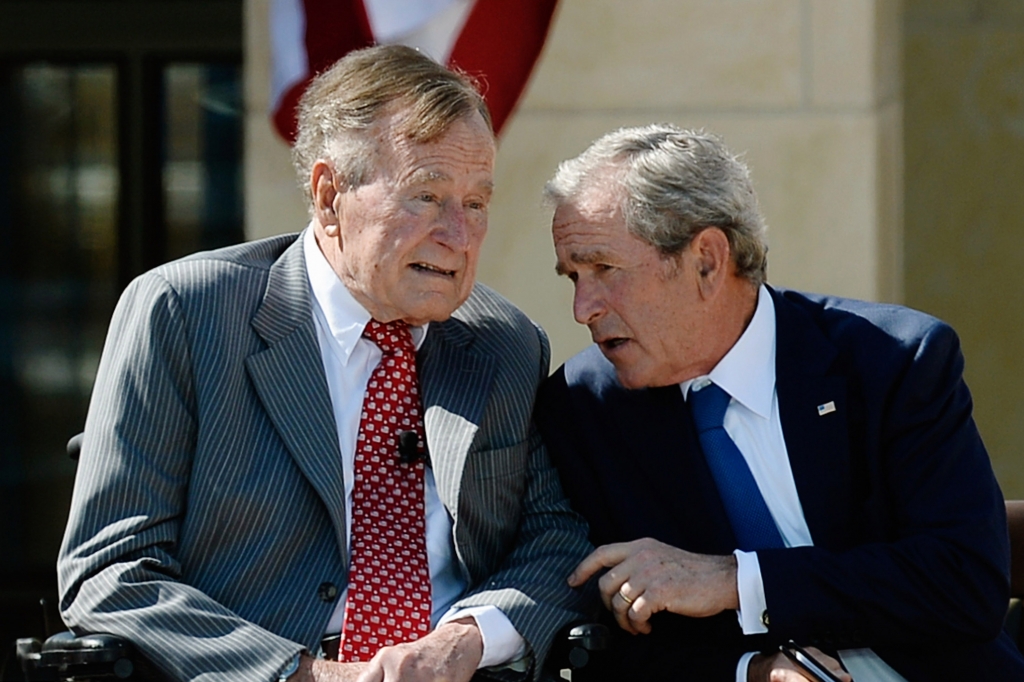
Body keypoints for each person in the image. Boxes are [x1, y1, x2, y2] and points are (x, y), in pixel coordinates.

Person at [57, 45, 591, 682]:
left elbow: (555, 538)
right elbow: (110, 570)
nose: (460, 234)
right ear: (329, 194)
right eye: (427, 196)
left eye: (476, 203)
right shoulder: (186, 313)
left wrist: (468, 638)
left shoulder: (503, 343)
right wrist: (305, 674)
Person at [534, 124, 1024, 681]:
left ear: (708, 261)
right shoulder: (583, 408)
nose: (583, 307)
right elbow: (608, 644)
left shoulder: (893, 361)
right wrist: (753, 672)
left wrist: (738, 582)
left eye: (604, 269)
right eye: (573, 275)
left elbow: (966, 583)